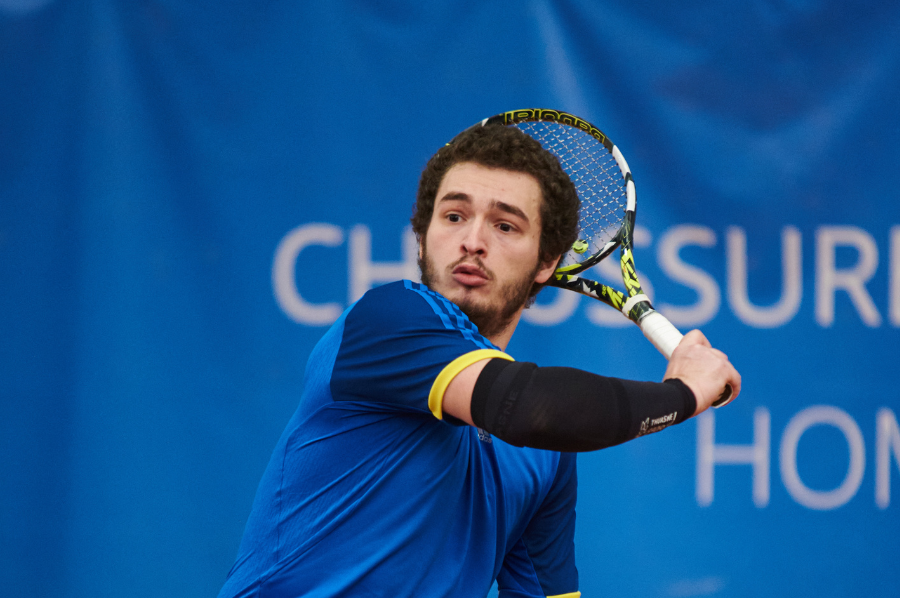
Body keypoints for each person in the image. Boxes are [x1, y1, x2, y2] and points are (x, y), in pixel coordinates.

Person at [218, 122, 741, 598]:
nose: (472, 241)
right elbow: (533, 409)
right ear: (423, 239)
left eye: (505, 226)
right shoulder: (388, 318)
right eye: (454, 216)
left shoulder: (545, 456)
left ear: (547, 263)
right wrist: (685, 394)